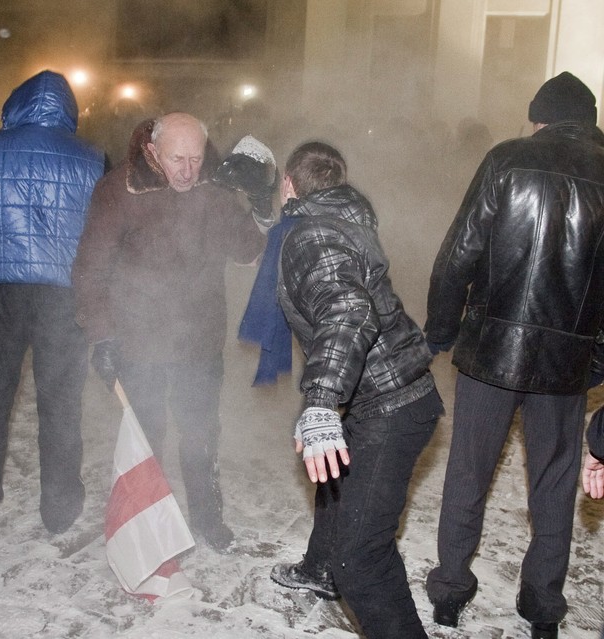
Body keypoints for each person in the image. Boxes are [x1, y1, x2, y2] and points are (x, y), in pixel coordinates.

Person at [423, 72, 604, 639]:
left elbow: (459, 255)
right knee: (553, 483)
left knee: (468, 472)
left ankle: (451, 590)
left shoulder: (507, 159)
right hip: (565, 363)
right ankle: (543, 606)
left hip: (490, 353)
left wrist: (440, 331)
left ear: (537, 117)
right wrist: (597, 359)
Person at [72, 113, 272, 552]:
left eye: (195, 159)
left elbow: (248, 249)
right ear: (152, 152)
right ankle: (149, 520)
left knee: (201, 431)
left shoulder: (214, 189)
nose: (187, 171)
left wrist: (260, 204)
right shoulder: (119, 190)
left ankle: (207, 516)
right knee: (148, 434)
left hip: (199, 337)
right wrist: (102, 334)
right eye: (177, 159)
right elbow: (91, 267)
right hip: (137, 338)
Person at [267, 141, 442, 637]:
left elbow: (347, 308)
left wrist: (321, 401)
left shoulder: (312, 236)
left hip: (389, 407)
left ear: (289, 185)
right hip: (390, 394)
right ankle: (318, 568)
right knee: (334, 476)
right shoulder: (342, 219)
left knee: (361, 560)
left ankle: (337, 569)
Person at [0, 70, 106, 535]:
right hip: (65, 298)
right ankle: (60, 508)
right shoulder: (94, 157)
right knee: (61, 404)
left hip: (4, 295)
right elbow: (108, 233)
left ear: (16, 104)